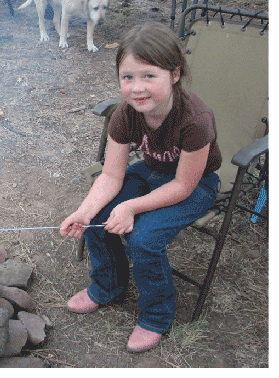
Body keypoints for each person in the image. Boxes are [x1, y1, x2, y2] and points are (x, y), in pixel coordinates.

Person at [59, 21, 222, 353]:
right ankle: (107, 287)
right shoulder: (125, 115)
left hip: (194, 186)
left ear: (175, 74)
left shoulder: (195, 119)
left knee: (144, 239)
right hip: (149, 172)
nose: (137, 88)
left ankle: (157, 315)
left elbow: (183, 186)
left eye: (149, 76)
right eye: (127, 77)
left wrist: (131, 207)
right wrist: (85, 211)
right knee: (98, 218)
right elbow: (111, 176)